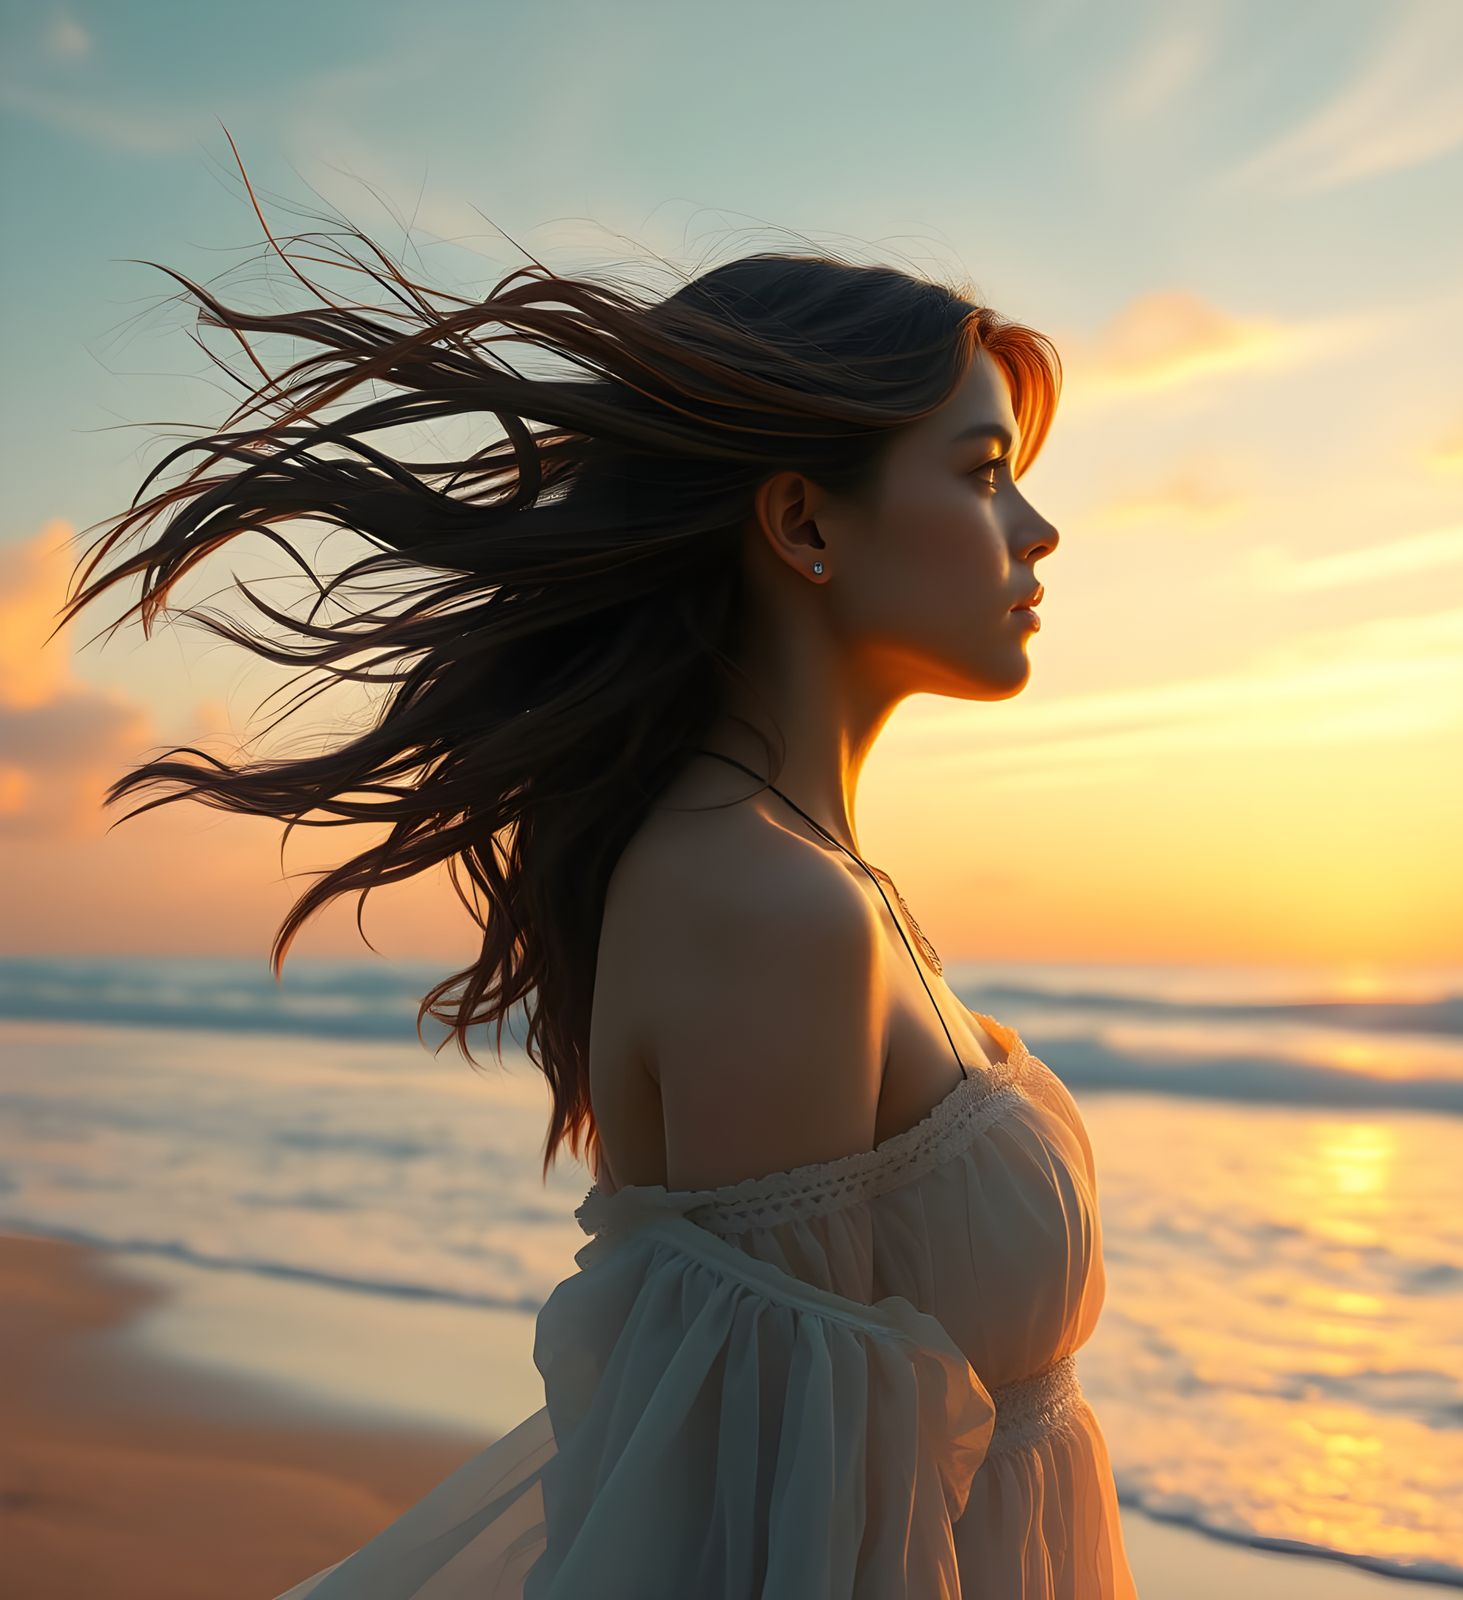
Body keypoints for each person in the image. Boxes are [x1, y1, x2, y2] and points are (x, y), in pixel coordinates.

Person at [57, 176, 1140, 1594]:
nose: (1038, 529)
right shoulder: (763, 903)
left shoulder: (810, 879)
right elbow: (769, 1535)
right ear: (804, 523)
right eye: (985, 470)